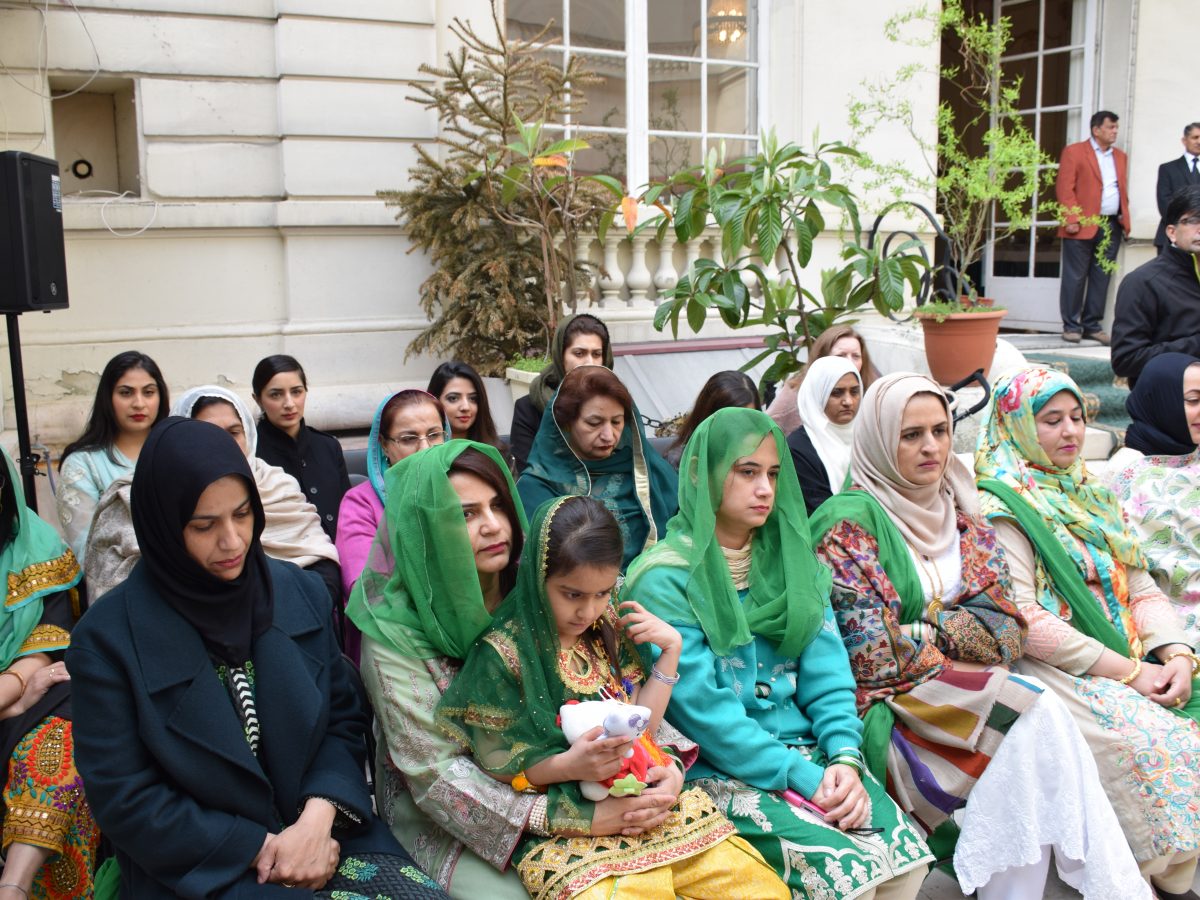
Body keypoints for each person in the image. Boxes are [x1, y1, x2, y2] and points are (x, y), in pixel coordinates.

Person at [67, 417, 448, 899]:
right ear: (162, 525)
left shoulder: (296, 592)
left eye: (243, 514)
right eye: (204, 525)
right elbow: (125, 795)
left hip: (328, 835)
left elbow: (342, 719)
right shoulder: (108, 641)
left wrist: (316, 821)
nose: (232, 541)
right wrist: (260, 847)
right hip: (203, 866)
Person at [810, 373, 1148, 900]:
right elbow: (873, 657)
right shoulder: (847, 526)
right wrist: (964, 634)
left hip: (966, 687)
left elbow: (1009, 630)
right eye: (911, 435)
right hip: (892, 706)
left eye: (940, 431)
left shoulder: (961, 507)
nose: (931, 447)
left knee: (1035, 721)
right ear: (878, 440)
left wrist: (926, 627)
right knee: (1033, 713)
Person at [623, 407, 933, 899]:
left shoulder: (792, 562)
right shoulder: (664, 579)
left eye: (772, 473)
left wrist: (844, 759)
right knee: (848, 874)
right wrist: (804, 776)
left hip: (814, 753)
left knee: (906, 861)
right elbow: (706, 715)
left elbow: (829, 677)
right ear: (703, 474)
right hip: (723, 767)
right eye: (747, 472)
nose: (765, 488)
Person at [348, 442, 684, 896]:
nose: (492, 525)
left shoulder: (547, 587)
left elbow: (614, 692)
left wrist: (665, 768)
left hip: (584, 785)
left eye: (498, 506)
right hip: (460, 815)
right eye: (466, 514)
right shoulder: (395, 637)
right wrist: (574, 817)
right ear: (425, 529)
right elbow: (435, 775)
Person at [436, 495, 790, 899]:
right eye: (572, 594)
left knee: (764, 891)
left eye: (603, 593)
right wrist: (568, 766)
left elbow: (642, 726)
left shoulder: (605, 627)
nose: (588, 611)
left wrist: (670, 653)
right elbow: (497, 763)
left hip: (645, 805)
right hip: (573, 827)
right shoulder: (503, 654)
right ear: (537, 577)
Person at [976, 366, 1200, 899]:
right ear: (1017, 425)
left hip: (1132, 651)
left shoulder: (1090, 492)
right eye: (1051, 420)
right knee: (1150, 743)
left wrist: (1176, 653)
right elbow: (1027, 620)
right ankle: (1158, 873)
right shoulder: (1002, 506)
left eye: (1077, 417)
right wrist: (1129, 672)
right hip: (1061, 664)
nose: (1070, 431)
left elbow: (1140, 585)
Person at [84, 385, 341, 604]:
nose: (232, 543)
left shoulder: (277, 485)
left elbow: (321, 566)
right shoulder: (140, 498)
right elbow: (119, 597)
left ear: (248, 434)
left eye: (234, 432)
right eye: (204, 525)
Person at [0, 448, 98, 900]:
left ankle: (15, 886)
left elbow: (45, 647)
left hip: (22, 699)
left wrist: (17, 693)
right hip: (11, 702)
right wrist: (11, 702)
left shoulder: (34, 550)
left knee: (69, 726)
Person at [517, 366, 677, 570]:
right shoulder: (537, 486)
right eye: (594, 423)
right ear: (566, 424)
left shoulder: (647, 471)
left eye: (617, 422)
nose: (608, 435)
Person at [336, 390, 445, 661]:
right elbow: (366, 591)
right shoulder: (360, 503)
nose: (425, 449)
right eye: (409, 439)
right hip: (391, 641)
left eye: (434, 435)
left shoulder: (464, 492)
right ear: (384, 445)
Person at [1105, 353, 1200, 644]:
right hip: (1175, 619)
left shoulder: (1193, 454)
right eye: (1193, 400)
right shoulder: (1127, 473)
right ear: (1161, 400)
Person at [57, 351, 169, 564]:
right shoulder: (83, 464)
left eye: (148, 392)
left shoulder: (175, 452)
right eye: (126, 393)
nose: (139, 403)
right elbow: (86, 549)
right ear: (107, 398)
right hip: (115, 578)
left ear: (160, 396)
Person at [252, 355, 350, 541]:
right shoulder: (251, 452)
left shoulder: (328, 446)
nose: (289, 404)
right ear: (258, 400)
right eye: (276, 394)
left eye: (296, 392)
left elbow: (349, 513)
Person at [1112, 185, 1200, 387]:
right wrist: (1195, 345)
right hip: (1170, 399)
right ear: (1171, 232)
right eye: (1193, 220)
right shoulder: (1143, 282)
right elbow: (1126, 360)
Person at [1055, 111, 1130, 345]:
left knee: (1102, 276)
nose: (1115, 131)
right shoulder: (1074, 152)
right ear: (1096, 130)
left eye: (1116, 127)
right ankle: (1071, 325)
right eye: (1111, 127)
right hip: (1081, 224)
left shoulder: (1120, 156)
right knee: (1075, 276)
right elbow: (1065, 188)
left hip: (1111, 223)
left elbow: (1120, 189)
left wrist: (1125, 218)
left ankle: (1092, 325)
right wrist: (1071, 218)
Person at [510, 314, 612, 474]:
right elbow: (529, 473)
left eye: (597, 354)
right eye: (579, 354)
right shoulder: (529, 408)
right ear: (560, 356)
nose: (590, 363)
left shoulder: (616, 404)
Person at [766, 325, 878, 435]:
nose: (849, 362)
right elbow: (765, 430)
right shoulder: (796, 394)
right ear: (822, 358)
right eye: (841, 355)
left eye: (856, 356)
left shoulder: (872, 394)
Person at [788, 356, 863, 515]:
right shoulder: (798, 449)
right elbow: (820, 512)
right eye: (836, 393)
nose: (848, 401)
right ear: (818, 394)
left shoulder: (868, 440)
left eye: (854, 392)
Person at [664, 370, 760, 468]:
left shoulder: (761, 455)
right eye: (732, 422)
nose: (741, 431)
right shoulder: (680, 463)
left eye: (749, 422)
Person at [427, 362, 509, 460]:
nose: (466, 407)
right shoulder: (424, 451)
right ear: (435, 400)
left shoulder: (496, 454)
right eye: (453, 398)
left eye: (473, 398)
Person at [1154, 123, 1200, 254]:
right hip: (1172, 238)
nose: (1199, 141)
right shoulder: (1168, 169)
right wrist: (1185, 227)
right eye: (1195, 137)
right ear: (1184, 140)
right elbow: (1164, 203)